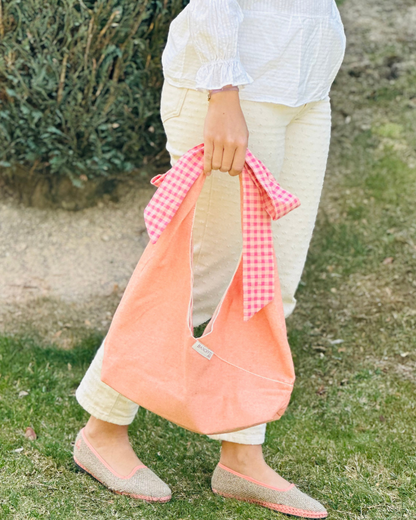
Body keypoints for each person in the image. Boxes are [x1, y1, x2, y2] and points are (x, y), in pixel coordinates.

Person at [73, 0, 346, 516]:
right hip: (236, 89)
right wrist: (223, 93)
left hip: (306, 87)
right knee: (195, 282)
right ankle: (101, 428)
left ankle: (242, 454)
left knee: (270, 286)